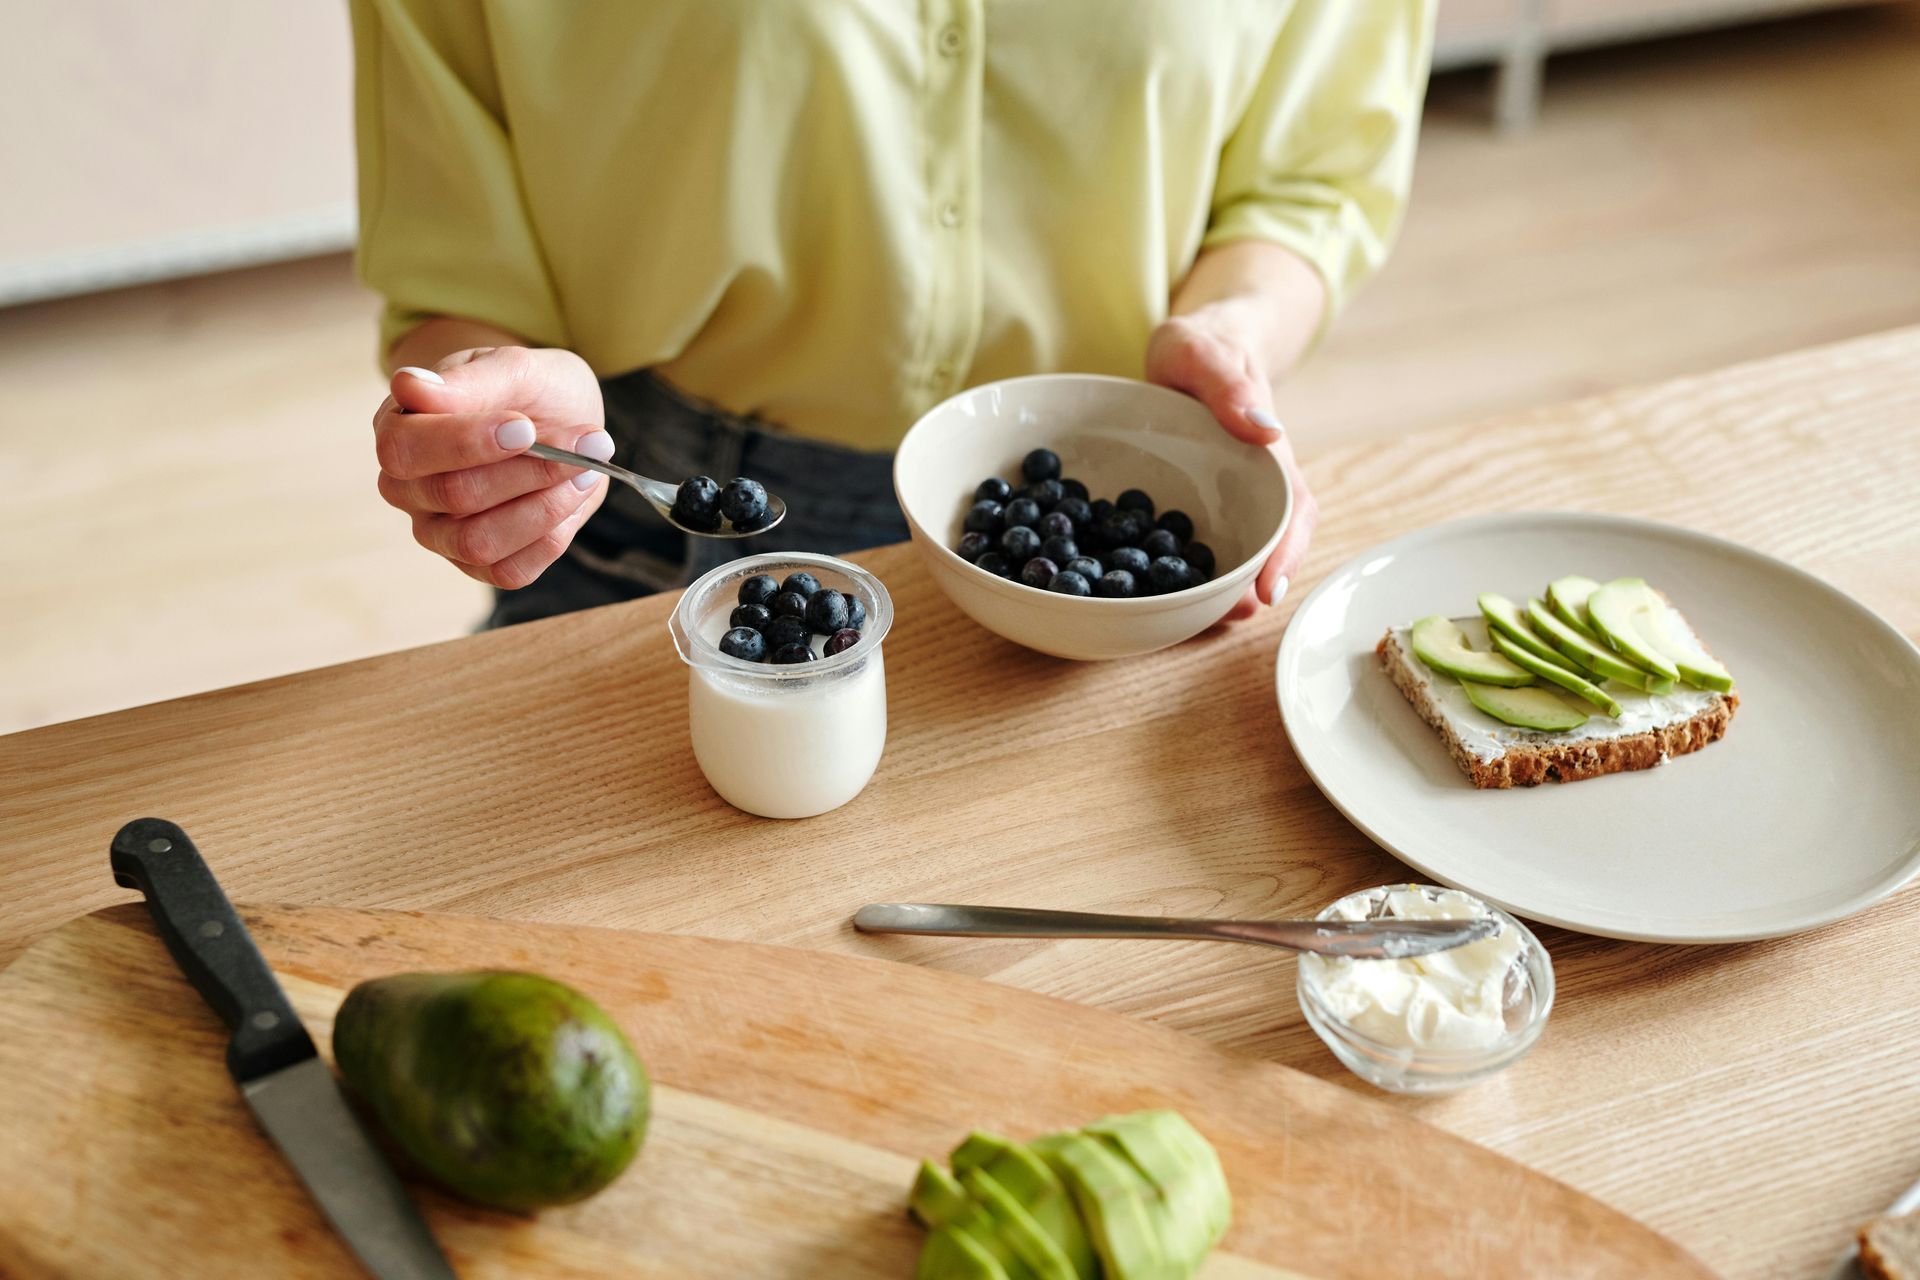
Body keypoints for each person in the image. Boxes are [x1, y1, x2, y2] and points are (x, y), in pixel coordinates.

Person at [350, 2, 1435, 627]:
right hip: (640, 535)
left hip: (1106, 554)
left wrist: (1232, 333)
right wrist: (487, 411)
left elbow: (1311, 179)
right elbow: (458, 254)